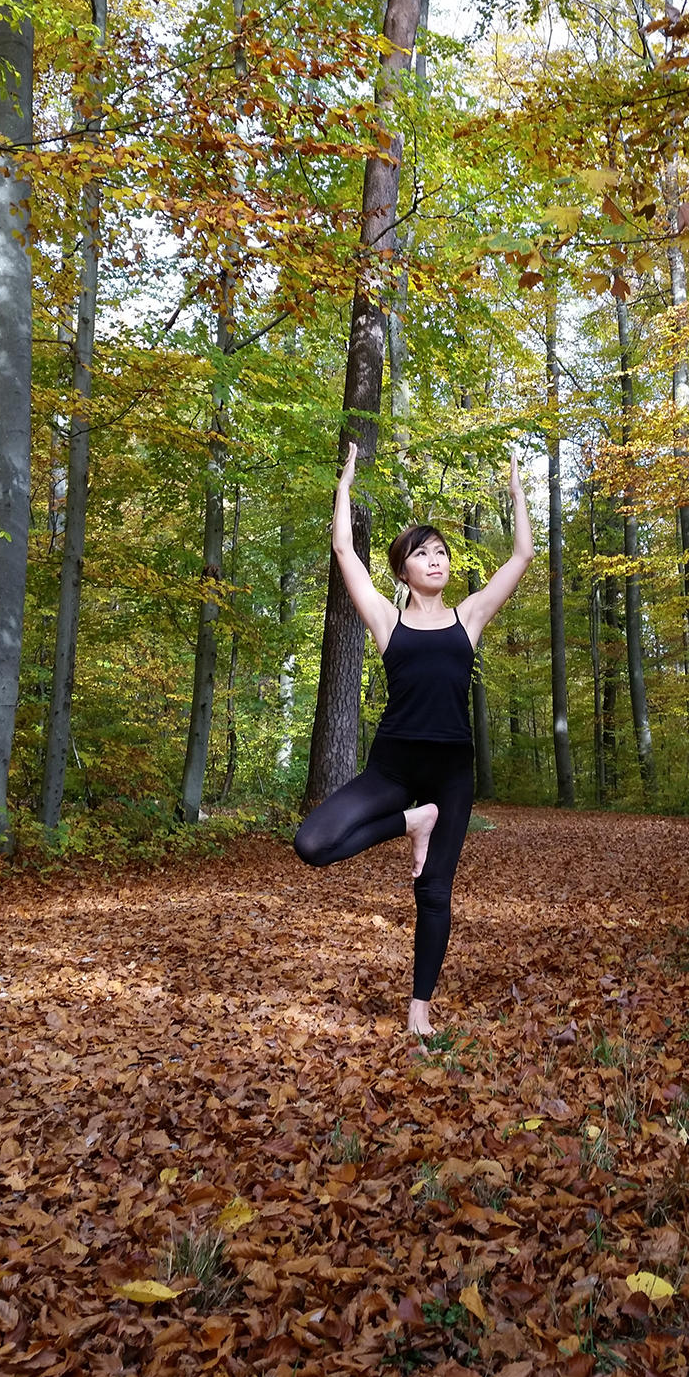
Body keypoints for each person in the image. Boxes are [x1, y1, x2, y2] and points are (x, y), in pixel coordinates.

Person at [295, 441, 534, 1035]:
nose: (436, 560)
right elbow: (344, 549)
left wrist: (517, 492)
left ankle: (419, 1013)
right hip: (393, 770)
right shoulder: (385, 619)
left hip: (451, 774)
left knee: (434, 891)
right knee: (312, 844)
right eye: (422, 554)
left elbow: (523, 555)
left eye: (442, 553)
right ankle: (413, 821)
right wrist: (346, 482)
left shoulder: (470, 617)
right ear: (403, 568)